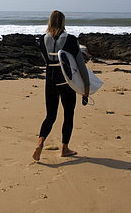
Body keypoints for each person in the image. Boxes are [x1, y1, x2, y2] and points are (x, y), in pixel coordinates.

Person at [33, 10, 90, 161]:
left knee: (50, 115)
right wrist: (87, 86)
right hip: (66, 81)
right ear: (63, 22)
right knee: (68, 114)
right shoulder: (71, 40)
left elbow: (46, 60)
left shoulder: (41, 39)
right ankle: (65, 148)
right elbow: (80, 65)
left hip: (50, 80)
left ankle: (40, 143)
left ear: (50, 21)